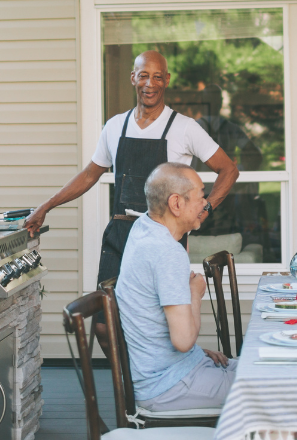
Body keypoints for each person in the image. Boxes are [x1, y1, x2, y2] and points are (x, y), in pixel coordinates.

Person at [24, 50, 239, 288]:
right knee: (106, 322)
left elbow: (229, 170)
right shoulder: (115, 126)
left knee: (158, 320)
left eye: (157, 77)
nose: (150, 84)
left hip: (163, 238)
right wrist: (46, 206)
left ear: (166, 80)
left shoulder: (185, 128)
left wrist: (204, 210)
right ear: (133, 78)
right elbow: (88, 175)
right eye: (144, 75)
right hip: (120, 238)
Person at [115, 162, 236, 411]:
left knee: (261, 368)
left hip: (173, 371)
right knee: (271, 386)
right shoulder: (167, 252)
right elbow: (183, 341)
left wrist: (197, 355)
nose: (205, 204)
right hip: (168, 386)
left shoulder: (143, 227)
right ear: (176, 203)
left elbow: (154, 324)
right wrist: (195, 293)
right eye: (201, 196)